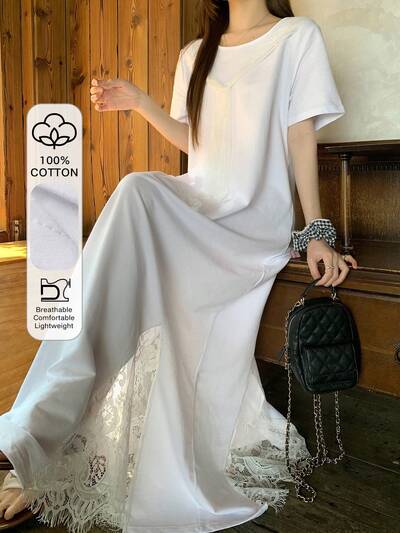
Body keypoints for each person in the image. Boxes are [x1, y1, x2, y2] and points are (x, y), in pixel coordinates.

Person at [0, 0, 358, 531]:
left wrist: (317, 231)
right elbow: (197, 143)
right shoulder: (196, 54)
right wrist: (139, 101)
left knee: (135, 202)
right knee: (135, 195)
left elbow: (299, 134)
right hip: (202, 202)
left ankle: (33, 438)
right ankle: (37, 439)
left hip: (252, 221)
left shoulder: (296, 37)